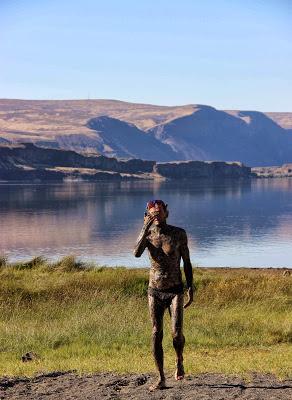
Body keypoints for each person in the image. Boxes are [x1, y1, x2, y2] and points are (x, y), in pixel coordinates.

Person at [133, 199, 194, 390]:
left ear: (166, 213)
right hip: (155, 291)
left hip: (175, 290)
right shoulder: (148, 235)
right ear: (148, 215)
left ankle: (179, 359)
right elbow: (136, 253)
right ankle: (160, 377)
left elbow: (187, 262)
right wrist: (144, 228)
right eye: (153, 213)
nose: (156, 215)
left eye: (159, 212)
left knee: (176, 334)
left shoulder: (178, 234)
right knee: (156, 333)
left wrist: (190, 286)